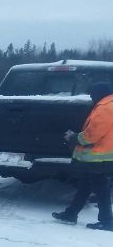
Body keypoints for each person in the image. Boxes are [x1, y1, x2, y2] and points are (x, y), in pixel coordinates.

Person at [52, 82, 113, 230]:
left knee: (101, 189)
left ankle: (107, 221)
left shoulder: (105, 108)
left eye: (92, 94)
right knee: (86, 185)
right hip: (101, 156)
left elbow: (92, 135)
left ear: (100, 93)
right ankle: (71, 214)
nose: (91, 97)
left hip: (98, 157)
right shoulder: (107, 105)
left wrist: (74, 138)